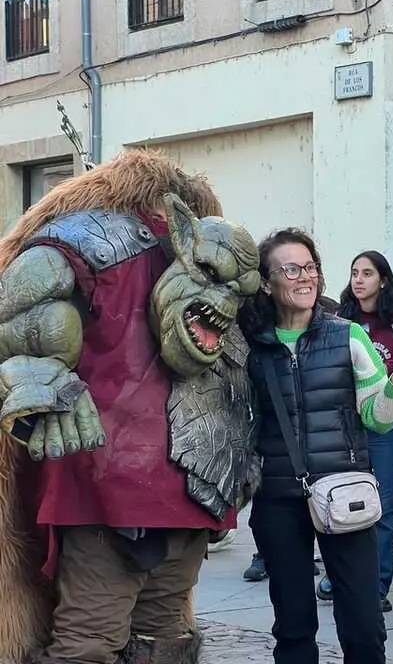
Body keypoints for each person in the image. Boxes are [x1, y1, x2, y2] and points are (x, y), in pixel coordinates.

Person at [0, 151, 261, 664]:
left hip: (189, 494)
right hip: (106, 492)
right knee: (90, 642)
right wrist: (41, 375)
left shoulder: (215, 263)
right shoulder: (96, 242)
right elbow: (17, 307)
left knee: (160, 641)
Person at [241, 229, 393, 664]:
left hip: (344, 493)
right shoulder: (250, 345)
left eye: (310, 267)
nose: (304, 277)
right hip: (278, 497)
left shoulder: (346, 336)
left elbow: (379, 419)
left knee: (365, 628)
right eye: (291, 269)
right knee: (292, 630)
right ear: (267, 281)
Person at [315, 251, 393, 611]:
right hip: (343, 427)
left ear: (382, 280)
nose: (359, 279)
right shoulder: (336, 321)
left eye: (367, 273)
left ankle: (377, 586)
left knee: (383, 508)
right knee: (338, 500)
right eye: (354, 273)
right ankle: (338, 576)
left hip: (385, 428)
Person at [242, 293, 340, 582]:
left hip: (327, 475)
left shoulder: (343, 337)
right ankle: (263, 554)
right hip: (276, 472)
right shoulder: (259, 345)